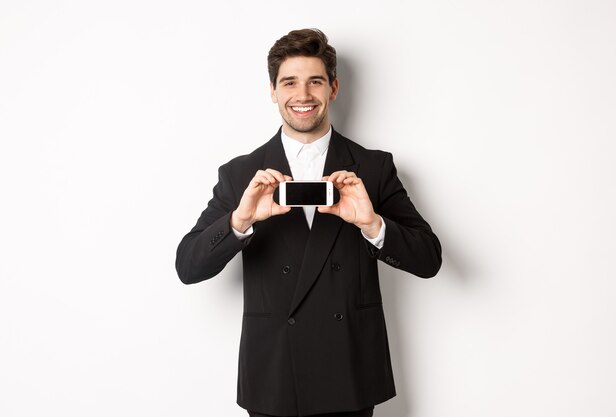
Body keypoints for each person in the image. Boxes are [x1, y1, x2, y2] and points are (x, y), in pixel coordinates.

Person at [176, 28, 442, 417]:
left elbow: (428, 259)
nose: (302, 95)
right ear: (272, 91)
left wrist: (373, 225)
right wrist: (240, 220)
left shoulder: (373, 167)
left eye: (315, 81)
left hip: (349, 373)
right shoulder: (240, 174)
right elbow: (188, 265)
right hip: (273, 376)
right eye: (289, 82)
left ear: (333, 88)